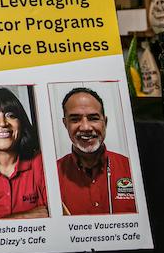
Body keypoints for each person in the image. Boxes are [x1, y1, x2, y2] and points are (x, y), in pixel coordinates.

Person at [0, 87, 48, 219]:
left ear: (21, 122)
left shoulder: (41, 162)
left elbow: (56, 215)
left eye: (10, 115)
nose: (2, 123)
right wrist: (25, 216)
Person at [57, 87, 136, 215]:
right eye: (75, 119)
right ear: (65, 124)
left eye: (93, 118)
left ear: (105, 122)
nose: (85, 127)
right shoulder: (51, 176)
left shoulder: (132, 168)